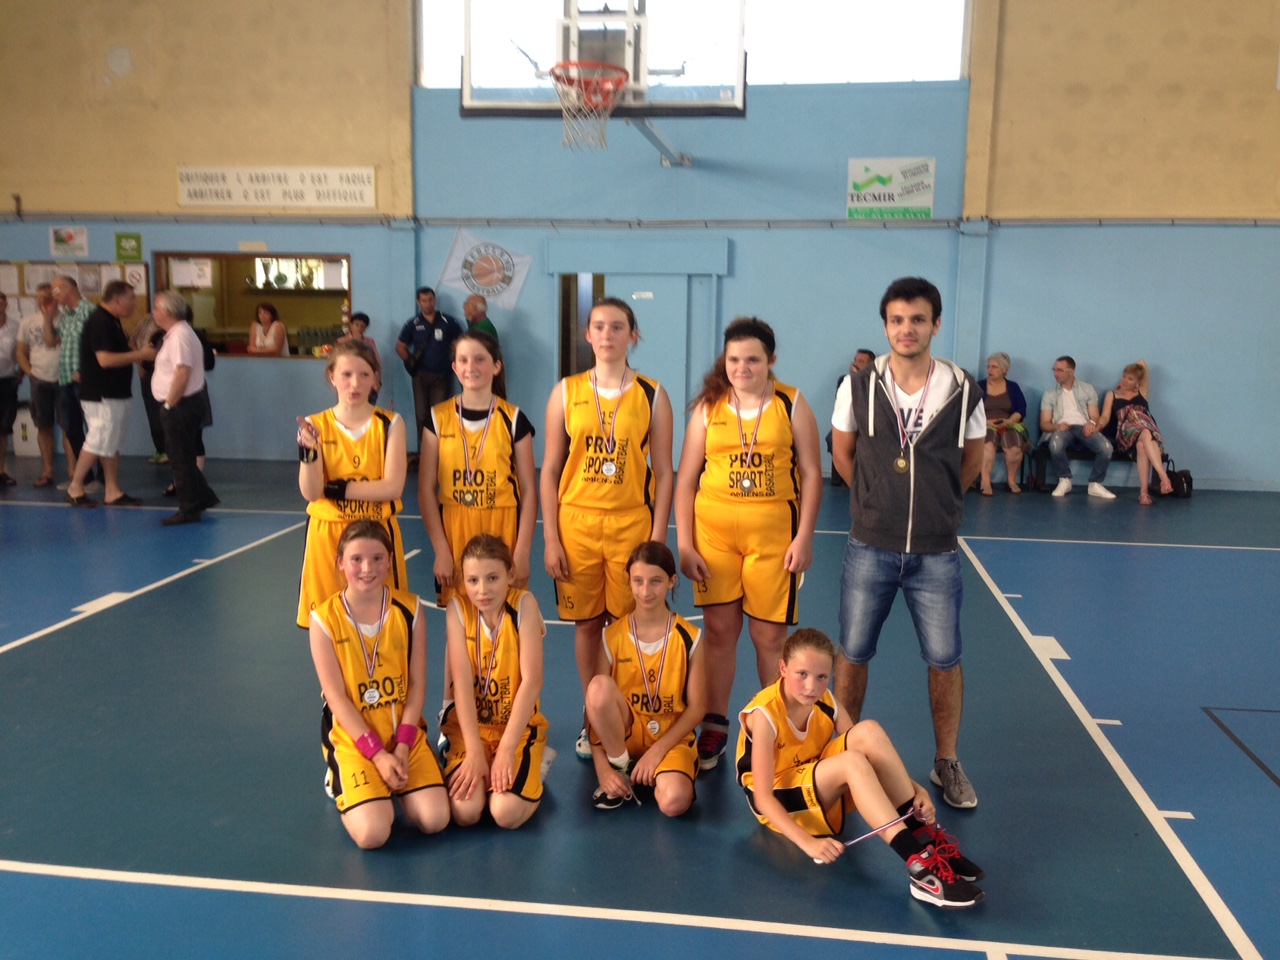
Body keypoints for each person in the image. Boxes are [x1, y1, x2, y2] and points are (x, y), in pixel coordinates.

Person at [830, 277, 986, 809]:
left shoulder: (964, 389)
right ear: (885, 326)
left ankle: (947, 762)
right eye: (896, 320)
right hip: (869, 546)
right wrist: (875, 504)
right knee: (851, 653)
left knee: (944, 658)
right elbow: (843, 455)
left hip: (936, 552)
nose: (906, 329)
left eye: (917, 319)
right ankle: (840, 753)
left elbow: (973, 460)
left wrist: (939, 509)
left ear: (935, 325)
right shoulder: (856, 385)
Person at [735, 629, 985, 909]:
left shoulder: (825, 701)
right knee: (853, 763)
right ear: (782, 668)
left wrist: (916, 790)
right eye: (801, 674)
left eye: (821, 677)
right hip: (777, 798)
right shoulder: (765, 715)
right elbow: (763, 799)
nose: (811, 686)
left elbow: (869, 748)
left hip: (812, 777)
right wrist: (808, 844)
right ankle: (921, 871)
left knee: (868, 731)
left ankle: (929, 843)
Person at [675, 317, 822, 772]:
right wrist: (684, 543)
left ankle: (776, 724)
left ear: (771, 361)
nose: (742, 367)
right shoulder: (708, 407)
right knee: (720, 633)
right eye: (734, 359)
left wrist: (804, 536)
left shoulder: (791, 403)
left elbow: (813, 474)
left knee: (769, 637)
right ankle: (716, 723)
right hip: (715, 535)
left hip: (773, 537)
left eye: (753, 359)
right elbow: (685, 479)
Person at [541, 297, 674, 761]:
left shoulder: (653, 394)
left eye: (617, 327)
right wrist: (551, 536)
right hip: (576, 520)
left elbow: (665, 471)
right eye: (599, 326)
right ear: (588, 335)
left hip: (630, 524)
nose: (607, 334)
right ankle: (592, 712)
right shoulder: (566, 391)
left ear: (632, 335)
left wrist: (657, 538)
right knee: (585, 624)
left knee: (624, 625)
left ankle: (620, 711)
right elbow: (551, 467)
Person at [308, 519, 450, 848]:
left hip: (404, 736)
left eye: (376, 558)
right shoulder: (324, 621)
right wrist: (378, 756)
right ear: (340, 563)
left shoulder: (410, 609)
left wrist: (400, 748)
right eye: (356, 559)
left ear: (390, 560)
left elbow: (416, 687)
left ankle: (391, 781)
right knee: (374, 833)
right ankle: (342, 776)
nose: (367, 568)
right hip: (357, 741)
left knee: (435, 820)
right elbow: (337, 699)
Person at [419, 330, 536, 609]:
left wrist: (522, 551)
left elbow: (530, 490)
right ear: (455, 368)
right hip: (455, 527)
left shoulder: (514, 419)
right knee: (459, 621)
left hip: (503, 524)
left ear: (496, 366)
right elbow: (425, 490)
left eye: (480, 359)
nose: (471, 367)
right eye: (464, 360)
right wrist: (441, 550)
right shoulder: (437, 418)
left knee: (505, 620)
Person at [584, 542, 703, 815]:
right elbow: (594, 709)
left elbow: (697, 708)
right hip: (627, 731)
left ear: (672, 582)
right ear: (629, 581)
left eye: (656, 581)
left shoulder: (690, 638)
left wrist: (657, 751)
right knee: (598, 687)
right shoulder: (611, 636)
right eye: (638, 581)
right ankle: (621, 768)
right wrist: (602, 769)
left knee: (674, 803)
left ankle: (655, 771)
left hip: (671, 736)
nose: (645, 591)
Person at [440, 534, 549, 830]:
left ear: (510, 575)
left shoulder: (524, 604)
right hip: (471, 730)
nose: (483, 590)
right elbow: (460, 683)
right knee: (466, 812)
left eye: (492, 578)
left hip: (516, 729)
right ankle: (472, 756)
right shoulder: (457, 610)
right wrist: (475, 751)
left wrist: (505, 750)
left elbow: (532, 681)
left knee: (505, 813)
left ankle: (537, 766)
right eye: (473, 580)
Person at [296, 340, 408, 628]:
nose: (355, 383)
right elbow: (310, 492)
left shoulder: (390, 423)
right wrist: (309, 451)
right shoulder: (314, 424)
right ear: (332, 377)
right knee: (328, 626)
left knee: (385, 623)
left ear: (375, 379)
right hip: (328, 536)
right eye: (346, 375)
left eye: (364, 375)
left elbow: (393, 487)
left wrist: (338, 489)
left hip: (376, 533)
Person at [63, 280, 154, 507]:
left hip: (115, 392)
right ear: (117, 300)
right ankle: (75, 487)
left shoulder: (112, 321)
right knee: (98, 439)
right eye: (131, 299)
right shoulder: (99, 322)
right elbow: (104, 360)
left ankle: (112, 490)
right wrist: (140, 355)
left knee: (112, 443)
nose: (134, 304)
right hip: (101, 395)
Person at [151, 292, 220, 526]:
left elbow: (182, 372)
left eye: (157, 308)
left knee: (180, 458)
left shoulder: (180, 336)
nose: (154, 313)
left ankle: (188, 508)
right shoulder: (179, 334)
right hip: (184, 403)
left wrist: (169, 404)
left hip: (181, 404)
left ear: (168, 312)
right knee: (184, 457)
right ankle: (203, 497)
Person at [1039, 355, 1115, 499]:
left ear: (1071, 371)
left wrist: (1091, 424)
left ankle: (1095, 484)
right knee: (1055, 445)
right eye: (1054, 370)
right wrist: (1056, 426)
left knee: (1106, 448)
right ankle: (1065, 479)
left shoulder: (1087, 389)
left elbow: (1095, 416)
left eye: (1060, 370)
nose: (1056, 374)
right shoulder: (1049, 393)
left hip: (1083, 426)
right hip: (1063, 427)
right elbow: (1044, 424)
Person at [396, 287, 461, 452]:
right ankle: (426, 451)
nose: (428, 304)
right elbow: (400, 346)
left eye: (430, 300)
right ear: (418, 302)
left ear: (435, 300)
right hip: (420, 376)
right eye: (424, 301)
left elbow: (460, 343)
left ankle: (441, 452)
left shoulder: (448, 321)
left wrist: (455, 363)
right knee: (421, 414)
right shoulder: (413, 324)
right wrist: (410, 362)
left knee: (440, 413)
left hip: (442, 375)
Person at [1099, 360, 1173, 505]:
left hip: (1147, 429)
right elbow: (1105, 416)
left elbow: (1143, 362)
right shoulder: (1112, 395)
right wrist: (1098, 425)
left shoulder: (1142, 393)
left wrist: (1138, 369)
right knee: (1145, 433)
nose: (1125, 380)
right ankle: (1163, 476)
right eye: (1124, 376)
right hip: (1126, 432)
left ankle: (1144, 494)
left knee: (1142, 444)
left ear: (1138, 382)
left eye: (1130, 378)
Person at [15, 284, 64, 487]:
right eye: (38, 297)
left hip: (64, 380)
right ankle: (48, 470)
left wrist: (48, 318)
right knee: (43, 425)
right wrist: (30, 373)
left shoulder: (66, 320)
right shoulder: (27, 322)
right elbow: (20, 351)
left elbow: (52, 341)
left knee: (69, 426)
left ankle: (73, 469)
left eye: (47, 297)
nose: (42, 301)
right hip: (39, 380)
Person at [50, 275, 96, 489]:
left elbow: (98, 346)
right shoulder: (66, 315)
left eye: (55, 291)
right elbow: (51, 340)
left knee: (95, 429)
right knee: (71, 429)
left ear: (67, 289)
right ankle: (84, 477)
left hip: (84, 381)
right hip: (65, 380)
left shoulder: (89, 312)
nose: (54, 296)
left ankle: (104, 478)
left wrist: (86, 371)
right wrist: (47, 317)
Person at [977, 351, 1031, 495]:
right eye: (988, 367)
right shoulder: (979, 386)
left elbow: (1021, 409)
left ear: (1004, 370)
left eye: (994, 367)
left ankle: (1011, 480)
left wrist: (1009, 421)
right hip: (985, 423)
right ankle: (985, 481)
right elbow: (970, 410)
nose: (990, 370)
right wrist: (986, 421)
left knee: (1014, 448)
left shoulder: (1013, 387)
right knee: (987, 445)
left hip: (1008, 424)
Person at [828, 350, 876, 489]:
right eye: (855, 360)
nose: (856, 364)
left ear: (871, 365)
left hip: (869, 427)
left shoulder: (877, 382)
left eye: (861, 362)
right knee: (833, 439)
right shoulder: (846, 383)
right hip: (849, 426)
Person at [339, 311, 381, 404]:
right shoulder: (342, 342)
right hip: (348, 381)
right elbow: (338, 364)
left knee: (368, 409)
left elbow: (376, 362)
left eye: (362, 326)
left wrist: (377, 380)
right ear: (351, 325)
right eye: (356, 325)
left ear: (365, 328)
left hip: (367, 380)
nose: (359, 328)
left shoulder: (369, 342)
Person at [0, 293, 19, 486]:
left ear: (6, 305)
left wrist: (21, 374)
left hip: (6, 381)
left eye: (1, 303)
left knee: (3, 429)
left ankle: (1, 470)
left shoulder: (15, 327)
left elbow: (23, 352)